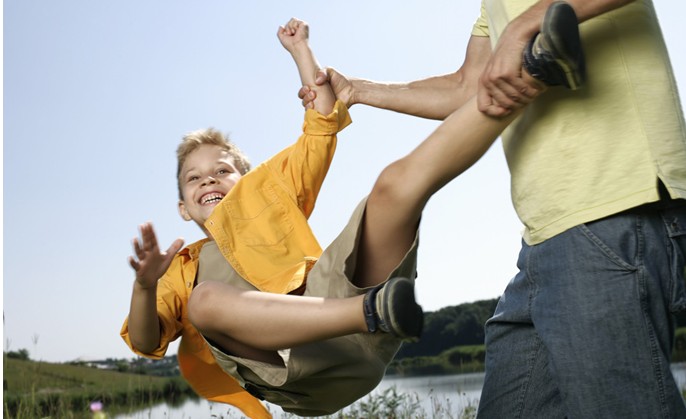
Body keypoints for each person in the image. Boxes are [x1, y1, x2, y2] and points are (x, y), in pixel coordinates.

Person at [121, 9, 585, 418]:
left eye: (221, 170)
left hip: (345, 301)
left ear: (245, 179)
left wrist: (301, 51)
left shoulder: (270, 194)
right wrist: (145, 286)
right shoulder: (179, 271)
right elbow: (146, 341)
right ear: (183, 208)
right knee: (204, 303)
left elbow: (321, 124)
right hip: (297, 368)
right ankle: (368, 311)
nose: (208, 180)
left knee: (393, 185)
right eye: (193, 178)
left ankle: (533, 70)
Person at [301, 1, 686, 417]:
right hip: (544, 241)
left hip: (612, 208)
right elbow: (470, 86)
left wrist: (525, 24)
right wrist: (358, 90)